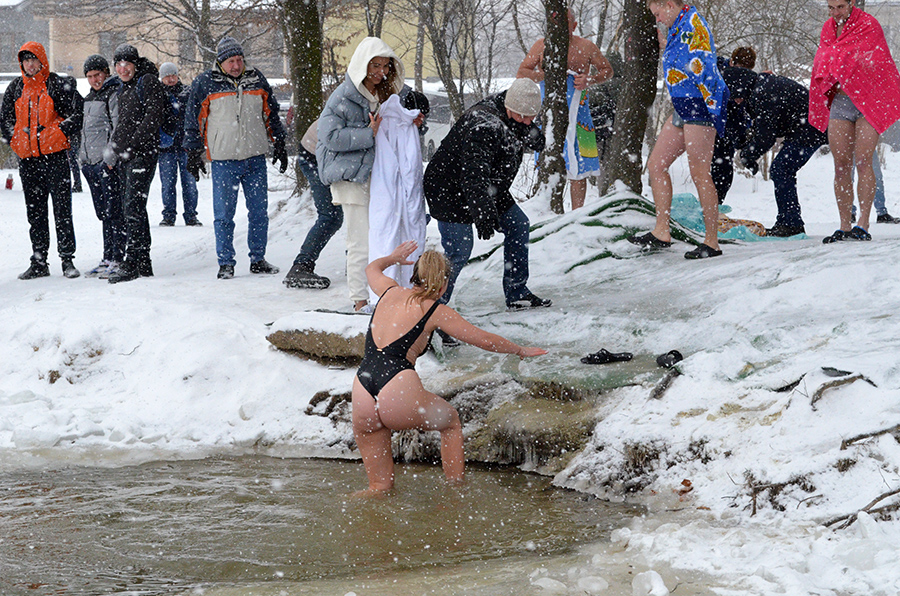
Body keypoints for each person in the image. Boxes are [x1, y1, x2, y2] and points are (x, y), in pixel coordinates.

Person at [352, 241, 548, 495]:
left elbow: (371, 269)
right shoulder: (435, 311)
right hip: (397, 386)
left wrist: (393, 258)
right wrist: (519, 349)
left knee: (379, 488)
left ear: (414, 276)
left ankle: (359, 509)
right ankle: (455, 494)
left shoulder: (389, 291)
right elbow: (483, 339)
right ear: (443, 284)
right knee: (451, 423)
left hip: (363, 388)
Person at [423, 78, 551, 320]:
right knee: (460, 249)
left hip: (489, 187)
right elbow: (473, 175)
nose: (527, 121)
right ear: (510, 106)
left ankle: (517, 292)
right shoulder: (483, 125)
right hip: (449, 189)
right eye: (523, 116)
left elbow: (531, 135)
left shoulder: (514, 110)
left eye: (531, 117)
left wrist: (531, 132)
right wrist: (482, 211)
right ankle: (431, 309)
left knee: (518, 225)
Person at [629, 0, 729, 259]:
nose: (658, 19)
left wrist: (711, 108)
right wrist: (666, 44)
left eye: (658, 13)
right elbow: (684, 56)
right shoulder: (679, 26)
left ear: (669, 4)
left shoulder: (693, 24)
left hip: (699, 106)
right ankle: (662, 231)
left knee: (700, 173)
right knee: (656, 165)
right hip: (682, 106)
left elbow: (704, 65)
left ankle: (712, 242)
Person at [184, 36, 288, 279]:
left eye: (239, 60)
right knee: (224, 215)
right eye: (231, 61)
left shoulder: (256, 79)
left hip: (255, 158)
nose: (236, 65)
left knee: (259, 212)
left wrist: (279, 142)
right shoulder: (205, 83)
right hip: (224, 159)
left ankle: (258, 259)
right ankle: (226, 262)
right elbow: (193, 120)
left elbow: (271, 113)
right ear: (221, 62)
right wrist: (193, 152)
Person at [317, 37, 405, 312]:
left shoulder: (384, 93)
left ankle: (381, 293)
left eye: (386, 66)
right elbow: (330, 137)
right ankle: (359, 300)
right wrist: (369, 134)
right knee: (359, 240)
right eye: (375, 65)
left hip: (374, 176)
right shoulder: (343, 96)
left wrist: (411, 120)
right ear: (362, 64)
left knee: (379, 235)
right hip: (350, 177)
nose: (381, 72)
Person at [809, 0, 900, 243]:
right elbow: (824, 59)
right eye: (831, 8)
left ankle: (864, 223)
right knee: (841, 165)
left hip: (868, 99)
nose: (835, 12)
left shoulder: (869, 25)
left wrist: (854, 70)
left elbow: (879, 61)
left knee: (863, 160)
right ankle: (844, 225)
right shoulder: (828, 29)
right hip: (840, 101)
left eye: (840, 7)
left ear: (851, 3)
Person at [0, 42, 83, 280]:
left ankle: (67, 259)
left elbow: (77, 113)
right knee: (35, 213)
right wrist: (16, 140)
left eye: (33, 60)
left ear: (41, 60)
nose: (29, 64)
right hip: (29, 161)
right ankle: (39, 261)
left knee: (62, 210)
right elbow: (5, 120)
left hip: (55, 158)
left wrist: (58, 133)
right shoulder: (16, 88)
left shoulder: (56, 84)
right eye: (25, 61)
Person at [517, 9, 614, 210]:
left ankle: (577, 214)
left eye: (564, 21)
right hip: (550, 116)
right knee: (549, 165)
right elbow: (522, 72)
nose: (558, 26)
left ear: (574, 25)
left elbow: (608, 71)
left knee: (580, 170)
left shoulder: (586, 46)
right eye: (554, 21)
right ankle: (549, 212)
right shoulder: (541, 45)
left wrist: (590, 79)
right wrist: (542, 76)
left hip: (581, 117)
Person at [727, 69, 829, 237]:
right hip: (807, 125)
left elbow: (766, 137)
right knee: (781, 169)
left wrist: (748, 155)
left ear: (740, 87)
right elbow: (762, 129)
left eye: (736, 96)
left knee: (781, 169)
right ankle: (789, 221)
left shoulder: (762, 93)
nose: (737, 101)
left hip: (810, 128)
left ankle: (790, 223)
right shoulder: (761, 86)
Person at [104, 44, 169, 284]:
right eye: (118, 65)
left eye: (127, 64)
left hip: (143, 154)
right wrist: (115, 150)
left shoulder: (148, 81)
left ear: (135, 64)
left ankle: (133, 260)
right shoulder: (125, 87)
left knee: (133, 207)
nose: (122, 69)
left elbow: (153, 117)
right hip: (127, 156)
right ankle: (142, 262)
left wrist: (132, 146)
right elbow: (123, 123)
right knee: (132, 208)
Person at [79, 54, 126, 279]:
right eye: (89, 76)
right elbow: (85, 131)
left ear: (106, 73)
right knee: (104, 213)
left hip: (106, 164)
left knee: (114, 212)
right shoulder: (89, 97)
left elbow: (117, 128)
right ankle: (107, 256)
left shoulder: (113, 94)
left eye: (97, 75)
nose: (94, 80)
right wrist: (82, 159)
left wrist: (109, 159)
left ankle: (118, 257)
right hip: (90, 163)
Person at [283, 120, 342, 289]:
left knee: (354, 211)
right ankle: (301, 266)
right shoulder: (359, 108)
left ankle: (358, 262)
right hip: (315, 156)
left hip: (328, 154)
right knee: (331, 216)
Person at [158, 62, 201, 227]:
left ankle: (191, 215)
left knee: (190, 184)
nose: (170, 79)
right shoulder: (158, 94)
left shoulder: (188, 92)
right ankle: (168, 215)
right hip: (166, 147)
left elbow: (195, 117)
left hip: (186, 146)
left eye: (173, 75)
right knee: (167, 184)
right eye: (167, 76)